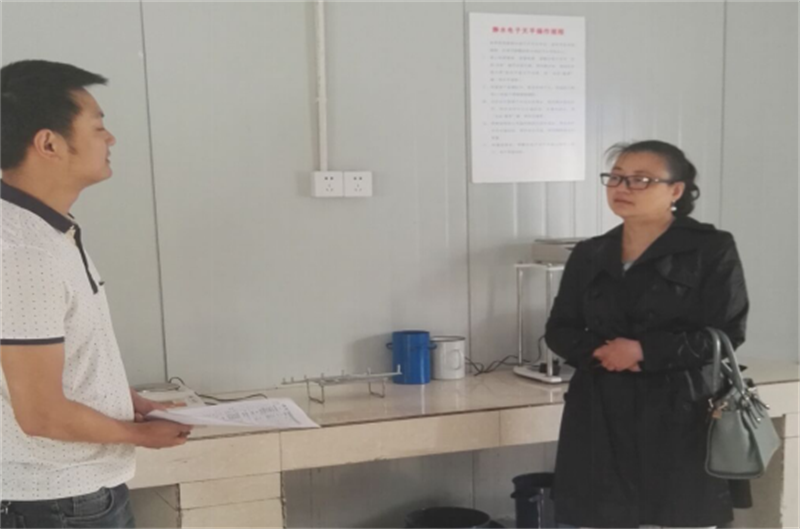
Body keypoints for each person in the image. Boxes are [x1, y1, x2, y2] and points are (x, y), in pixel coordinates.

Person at [0, 60, 192, 529]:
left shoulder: (45, 231)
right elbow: (42, 414)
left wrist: (122, 398)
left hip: (70, 496)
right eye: (98, 127)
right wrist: (137, 434)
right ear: (49, 143)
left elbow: (44, 366)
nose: (111, 139)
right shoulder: (22, 251)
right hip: (56, 502)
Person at [545, 140, 750, 529]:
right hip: (600, 408)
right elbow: (559, 328)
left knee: (683, 515)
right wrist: (603, 352)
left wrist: (643, 351)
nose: (622, 188)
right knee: (602, 516)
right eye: (615, 178)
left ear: (676, 190)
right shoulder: (590, 252)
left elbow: (727, 331)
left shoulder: (710, 247)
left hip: (682, 409)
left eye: (640, 179)